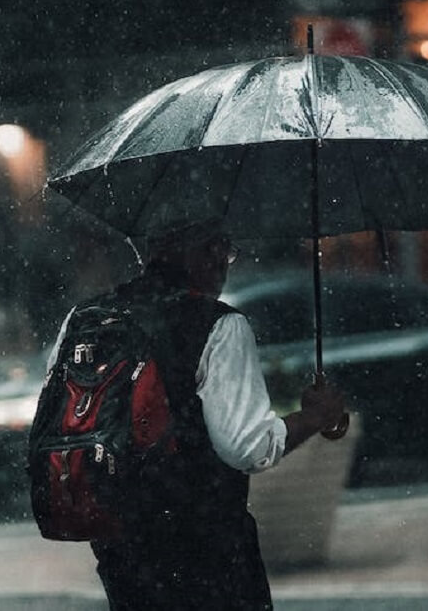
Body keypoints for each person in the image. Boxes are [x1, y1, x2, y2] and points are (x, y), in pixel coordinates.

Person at [46, 218, 348, 610]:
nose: (226, 262)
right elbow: (247, 447)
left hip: (121, 543)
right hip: (207, 545)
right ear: (207, 252)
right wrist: (315, 417)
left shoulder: (83, 319)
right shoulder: (219, 325)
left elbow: (58, 419)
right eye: (225, 250)